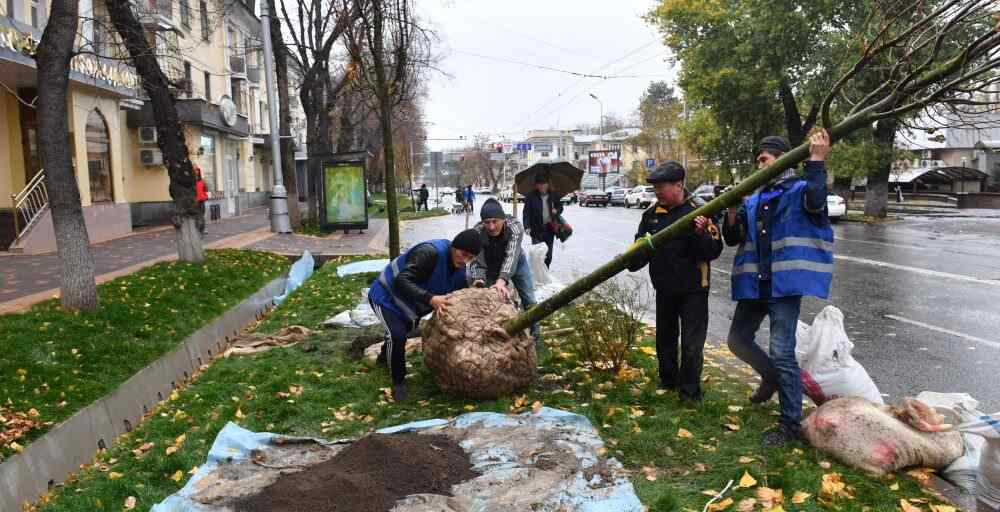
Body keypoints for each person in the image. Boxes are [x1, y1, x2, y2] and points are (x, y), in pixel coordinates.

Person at [722, 130, 834, 446]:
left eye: (764, 159)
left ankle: (790, 424)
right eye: (757, 160)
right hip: (755, 286)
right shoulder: (754, 197)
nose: (759, 165)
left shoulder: (799, 189)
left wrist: (817, 160)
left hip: (783, 287)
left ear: (782, 160)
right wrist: (731, 210)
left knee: (782, 350)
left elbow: (816, 203)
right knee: (737, 340)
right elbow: (733, 237)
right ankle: (770, 376)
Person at [627, 161, 723, 402]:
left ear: (679, 185)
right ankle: (668, 381)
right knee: (665, 340)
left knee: (691, 344)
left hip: (693, 290)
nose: (657, 192)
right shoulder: (651, 215)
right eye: (655, 187)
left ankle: (690, 394)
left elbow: (713, 251)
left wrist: (699, 233)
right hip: (665, 288)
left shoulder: (700, 210)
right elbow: (640, 247)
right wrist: (631, 259)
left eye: (662, 186)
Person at [367, 230, 483, 401]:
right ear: (454, 246)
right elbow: (402, 280)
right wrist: (430, 298)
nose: (464, 260)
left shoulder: (460, 271)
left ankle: (385, 356)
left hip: (410, 306)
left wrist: (472, 290)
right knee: (397, 335)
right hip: (386, 296)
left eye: (470, 258)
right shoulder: (430, 252)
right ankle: (399, 382)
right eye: (463, 254)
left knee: (401, 330)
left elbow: (457, 294)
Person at [467, 198, 540, 341]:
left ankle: (535, 337)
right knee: (487, 303)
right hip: (489, 267)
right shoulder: (477, 232)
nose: (491, 227)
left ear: (503, 219)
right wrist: (479, 279)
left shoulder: (515, 227)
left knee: (529, 300)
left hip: (517, 263)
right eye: (487, 222)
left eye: (495, 221)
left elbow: (511, 257)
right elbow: (477, 261)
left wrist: (502, 280)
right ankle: (492, 339)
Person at [522, 173, 563, 268]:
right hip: (536, 230)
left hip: (549, 230)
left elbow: (560, 207)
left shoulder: (553, 195)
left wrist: (556, 210)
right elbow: (526, 213)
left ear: (547, 184)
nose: (542, 186)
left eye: (544, 183)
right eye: (539, 184)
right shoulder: (530, 196)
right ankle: (538, 276)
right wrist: (527, 226)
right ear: (536, 185)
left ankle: (545, 273)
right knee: (538, 255)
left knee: (548, 256)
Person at [194, 165, 208, 234]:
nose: (196, 172)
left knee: (202, 215)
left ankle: (202, 229)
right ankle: (196, 229)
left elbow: (205, 189)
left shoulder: (202, 181)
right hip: (194, 201)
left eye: (197, 170)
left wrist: (205, 196)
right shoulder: (191, 181)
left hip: (201, 200)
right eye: (195, 170)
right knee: (196, 216)